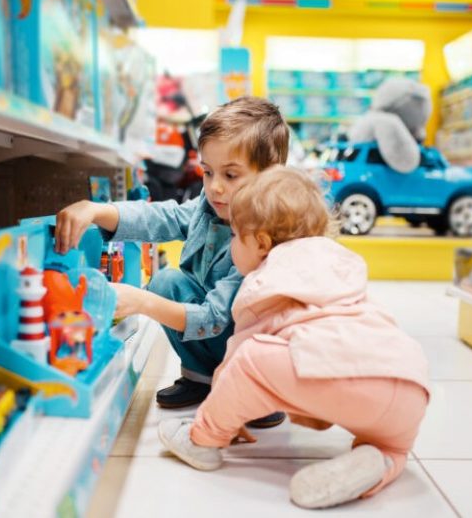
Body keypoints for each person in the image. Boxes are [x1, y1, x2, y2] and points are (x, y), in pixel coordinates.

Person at [157, 167, 430, 509]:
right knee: (391, 445)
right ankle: (384, 460)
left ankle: (202, 441)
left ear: (261, 243)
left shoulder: (265, 278)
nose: (231, 245)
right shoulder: (336, 260)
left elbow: (241, 361)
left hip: (347, 382)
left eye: (234, 237)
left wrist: (224, 415)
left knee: (251, 357)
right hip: (411, 387)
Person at [54, 96, 289, 427]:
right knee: (167, 282)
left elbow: (215, 317)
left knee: (162, 294)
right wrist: (97, 210)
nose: (215, 187)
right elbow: (162, 216)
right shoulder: (209, 208)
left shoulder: (263, 240)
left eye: (231, 175)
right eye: (207, 172)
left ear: (269, 176)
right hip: (222, 331)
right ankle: (201, 377)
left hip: (254, 342)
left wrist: (143, 303)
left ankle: (256, 392)